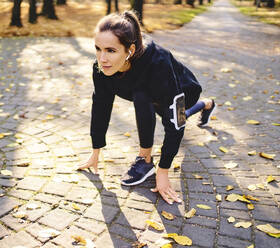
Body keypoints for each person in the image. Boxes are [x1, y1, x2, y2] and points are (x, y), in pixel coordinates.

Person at [77, 10, 216, 205]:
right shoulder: (101, 68)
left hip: (183, 90)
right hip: (144, 91)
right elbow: (101, 105)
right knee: (143, 96)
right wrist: (96, 149)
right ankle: (207, 105)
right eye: (98, 48)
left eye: (111, 50)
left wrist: (163, 171)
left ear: (130, 51)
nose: (102, 58)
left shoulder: (159, 64)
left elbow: (176, 123)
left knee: (165, 110)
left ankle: (146, 159)